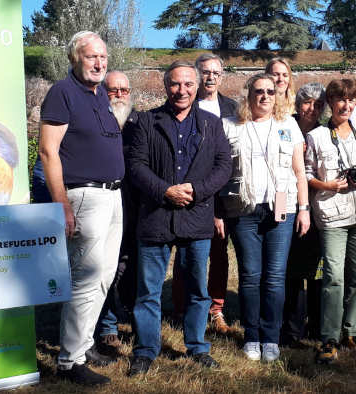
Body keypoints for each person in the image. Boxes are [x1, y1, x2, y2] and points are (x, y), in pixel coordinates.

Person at [127, 60, 231, 375]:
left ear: (197, 86)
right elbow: (135, 165)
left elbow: (224, 166)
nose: (181, 90)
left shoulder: (212, 123)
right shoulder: (148, 121)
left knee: (198, 290)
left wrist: (197, 191)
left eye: (188, 84)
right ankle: (145, 350)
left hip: (196, 218)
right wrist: (165, 191)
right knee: (148, 291)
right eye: (175, 84)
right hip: (156, 218)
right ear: (165, 86)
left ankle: (197, 347)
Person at [39, 31, 124, 385]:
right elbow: (48, 151)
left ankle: (83, 344)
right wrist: (62, 205)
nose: (99, 63)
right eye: (91, 57)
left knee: (103, 277)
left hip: (112, 196)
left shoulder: (100, 94)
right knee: (85, 280)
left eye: (103, 57)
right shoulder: (63, 91)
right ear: (75, 58)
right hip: (85, 197)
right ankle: (69, 361)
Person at [221, 73, 310, 362]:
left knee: (275, 277)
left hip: (281, 209)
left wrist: (305, 209)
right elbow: (219, 171)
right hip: (242, 210)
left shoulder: (289, 125)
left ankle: (271, 338)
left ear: (277, 95)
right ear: (248, 95)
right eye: (258, 91)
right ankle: (251, 336)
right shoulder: (230, 126)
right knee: (250, 276)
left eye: (270, 91)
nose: (265, 97)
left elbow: (299, 172)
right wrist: (217, 211)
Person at [305, 78, 356, 364]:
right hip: (332, 213)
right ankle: (329, 337)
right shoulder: (317, 136)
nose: (346, 105)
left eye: (351, 100)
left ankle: (352, 332)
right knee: (334, 277)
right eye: (340, 100)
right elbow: (307, 173)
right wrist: (327, 186)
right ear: (331, 103)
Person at [171, 53, 238, 334]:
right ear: (197, 76)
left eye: (216, 72)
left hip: (219, 195)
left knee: (218, 254)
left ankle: (215, 309)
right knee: (183, 255)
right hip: (185, 195)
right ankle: (180, 307)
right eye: (205, 72)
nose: (210, 77)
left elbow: (228, 160)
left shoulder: (233, 109)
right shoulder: (183, 104)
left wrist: (219, 207)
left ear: (221, 77)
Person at [93, 70, 142, 357]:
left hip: (136, 212)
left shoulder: (142, 123)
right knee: (105, 270)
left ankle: (139, 322)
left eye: (124, 90)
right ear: (103, 92)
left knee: (134, 270)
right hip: (102, 209)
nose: (120, 95)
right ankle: (108, 328)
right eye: (113, 90)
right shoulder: (94, 122)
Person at [280, 82, 325, 346]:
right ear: (298, 104)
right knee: (293, 267)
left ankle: (318, 325)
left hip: (317, 205)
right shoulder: (285, 125)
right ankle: (293, 326)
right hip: (287, 201)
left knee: (318, 269)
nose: (312, 108)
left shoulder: (324, 132)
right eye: (308, 102)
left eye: (318, 104)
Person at [265, 57, 296, 121]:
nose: (281, 79)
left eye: (285, 75)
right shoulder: (259, 104)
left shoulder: (297, 105)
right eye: (275, 74)